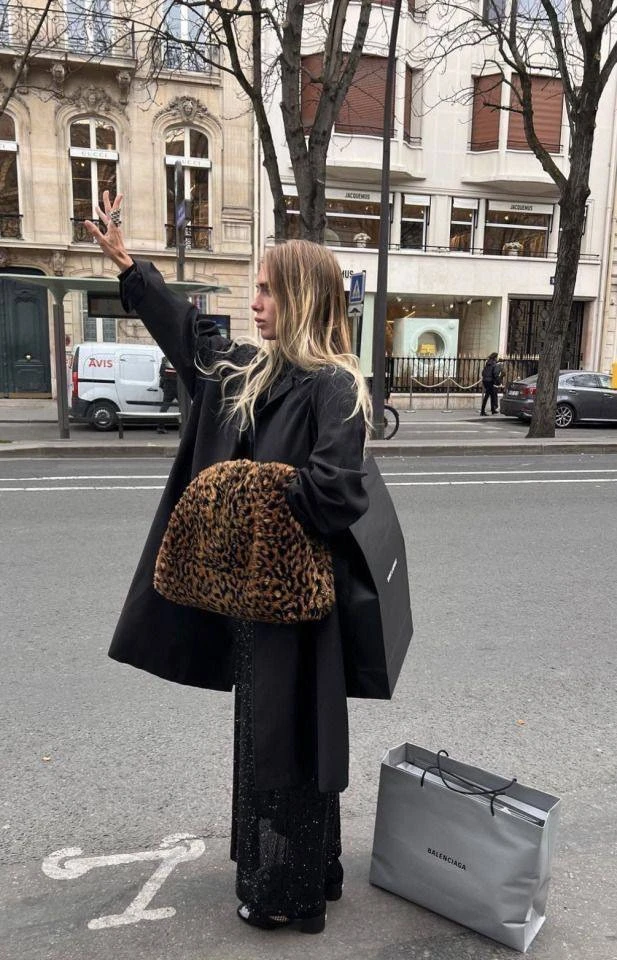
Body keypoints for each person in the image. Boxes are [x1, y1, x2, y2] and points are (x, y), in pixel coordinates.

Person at [84, 191, 372, 936]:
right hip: (254, 603)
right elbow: (191, 339)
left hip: (299, 606)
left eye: (268, 290)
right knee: (263, 737)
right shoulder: (255, 369)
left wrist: (247, 489)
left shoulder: (334, 384)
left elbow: (337, 492)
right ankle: (290, 871)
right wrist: (130, 267)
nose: (255, 303)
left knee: (290, 743)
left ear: (302, 297)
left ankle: (288, 891)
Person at [157, 355, 178, 433]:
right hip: (177, 387)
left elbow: (161, 373)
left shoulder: (165, 359)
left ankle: (160, 427)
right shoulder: (177, 358)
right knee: (185, 408)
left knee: (164, 407)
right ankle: (186, 426)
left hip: (168, 387)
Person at [480, 351, 502, 416]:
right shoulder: (495, 364)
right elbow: (495, 374)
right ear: (495, 357)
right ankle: (482, 411)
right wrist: (499, 382)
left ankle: (493, 410)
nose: (497, 358)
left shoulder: (488, 363)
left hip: (485, 380)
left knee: (492, 395)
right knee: (487, 396)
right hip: (490, 381)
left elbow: (483, 372)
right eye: (497, 357)